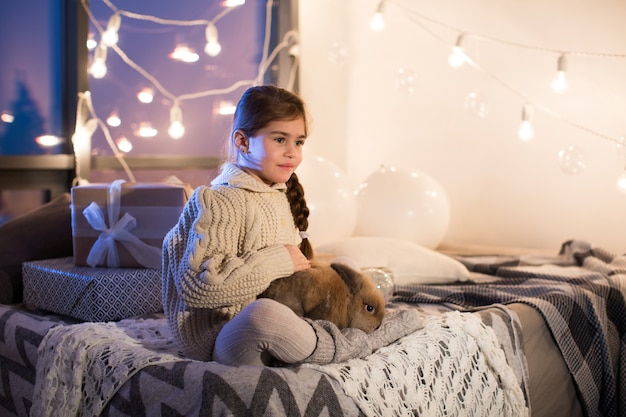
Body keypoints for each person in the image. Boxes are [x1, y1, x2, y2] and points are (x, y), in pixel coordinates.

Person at [162, 85, 421, 366]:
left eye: (299, 142)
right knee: (264, 315)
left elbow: (293, 278)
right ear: (243, 141)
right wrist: (278, 261)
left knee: (344, 267)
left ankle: (327, 336)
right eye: (280, 139)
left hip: (282, 317)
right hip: (225, 336)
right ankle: (352, 344)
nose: (292, 152)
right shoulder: (219, 201)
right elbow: (199, 288)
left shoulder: (277, 195)